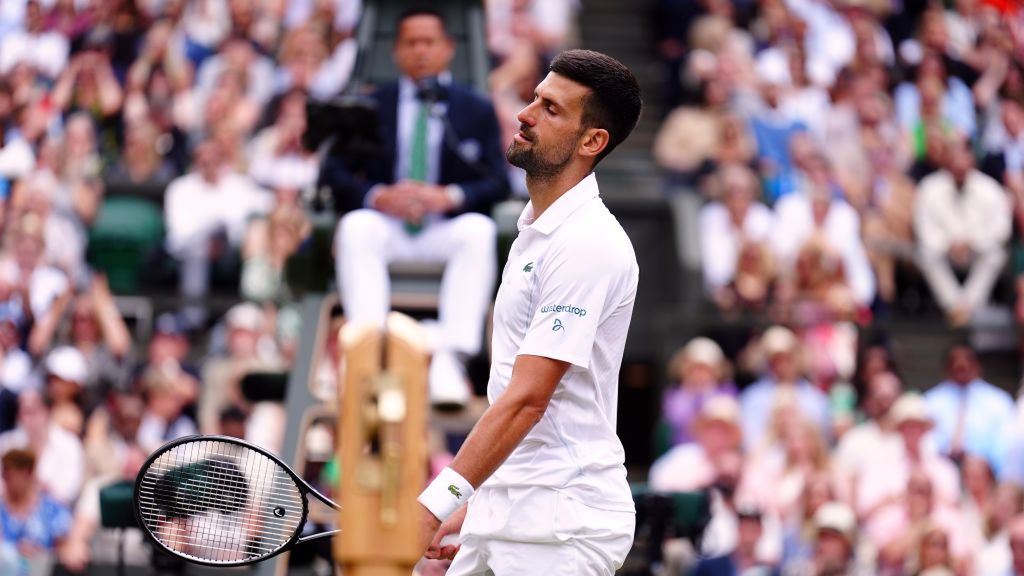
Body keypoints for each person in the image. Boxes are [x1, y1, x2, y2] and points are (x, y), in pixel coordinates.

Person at [416, 49, 643, 575]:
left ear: (592, 142)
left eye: (551, 109)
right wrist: (475, 506)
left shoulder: (587, 242)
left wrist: (434, 505)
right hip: (509, 510)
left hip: (563, 526)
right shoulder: (536, 231)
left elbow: (528, 400)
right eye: (535, 99)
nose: (525, 113)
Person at [325, 8, 510, 409]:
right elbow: (332, 174)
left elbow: (498, 180)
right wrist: (378, 196)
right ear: (396, 51)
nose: (420, 50)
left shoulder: (474, 107)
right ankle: (372, 355)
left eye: (429, 42)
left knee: (478, 231)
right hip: (388, 227)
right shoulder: (371, 104)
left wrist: (450, 196)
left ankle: (450, 359)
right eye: (411, 42)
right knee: (356, 226)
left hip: (442, 227)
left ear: (448, 49)